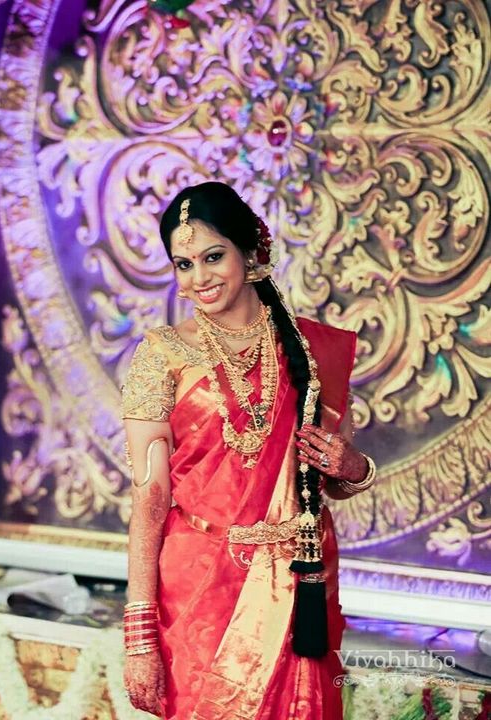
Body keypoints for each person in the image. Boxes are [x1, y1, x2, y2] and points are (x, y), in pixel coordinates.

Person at [121, 182, 376, 719]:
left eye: (213, 257)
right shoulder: (163, 356)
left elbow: (332, 479)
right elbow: (150, 499)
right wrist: (140, 632)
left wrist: (355, 469)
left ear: (251, 252)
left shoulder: (312, 351)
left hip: (299, 580)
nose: (199, 278)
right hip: (198, 593)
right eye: (183, 264)